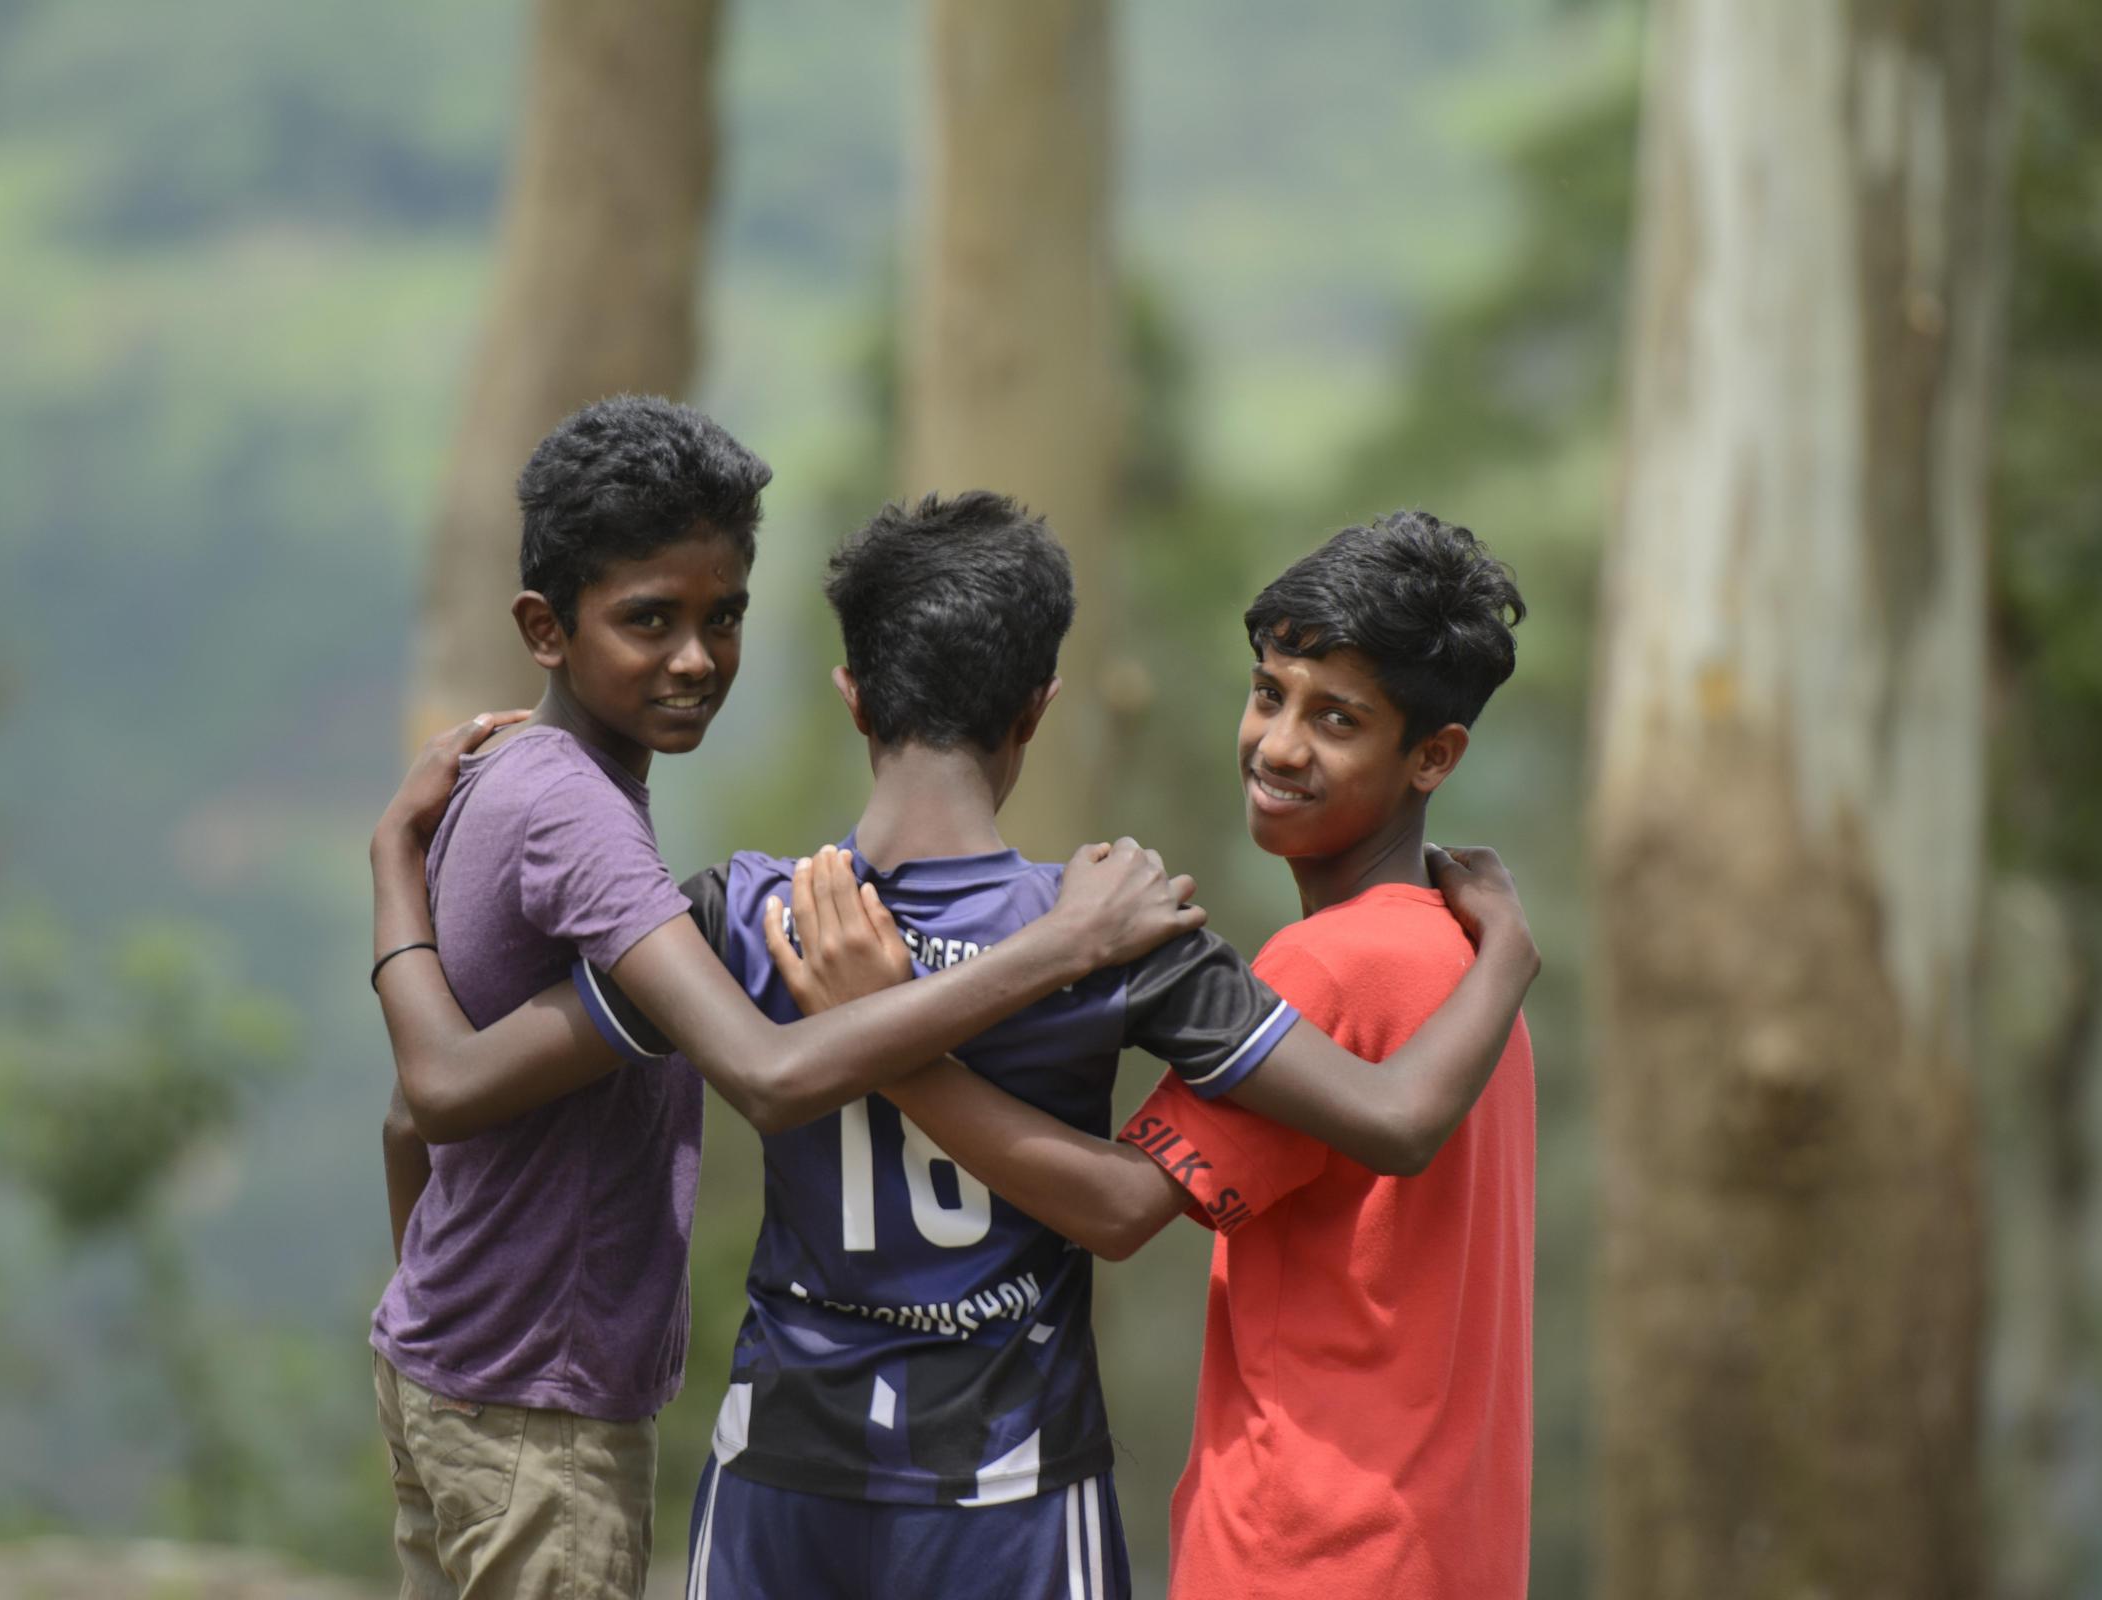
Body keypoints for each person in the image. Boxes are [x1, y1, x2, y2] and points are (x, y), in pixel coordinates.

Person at [371, 492, 1539, 1598]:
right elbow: (1383, 1121)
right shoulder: (1122, 931)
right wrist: (1507, 957)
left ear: (852, 697)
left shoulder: (737, 918)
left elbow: (444, 1094)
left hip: (782, 1473)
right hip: (1014, 1490)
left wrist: (400, 870)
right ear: (1037, 705)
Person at [368, 401, 1204, 1600]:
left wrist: (396, 858)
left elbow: (417, 1108)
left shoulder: (533, 788)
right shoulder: (583, 821)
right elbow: (763, 1075)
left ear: (851, 693)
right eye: (649, 620)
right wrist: (1062, 942)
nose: (697, 658)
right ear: (544, 630)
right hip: (540, 1410)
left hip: (446, 1369)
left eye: (725, 616)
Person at [789, 510, 1539, 1600]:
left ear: (1434, 755)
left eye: (1338, 719)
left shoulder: (1330, 966)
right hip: (1448, 1552)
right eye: (1269, 691)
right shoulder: (1464, 960)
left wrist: (889, 1041)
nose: (1280, 744)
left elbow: (1117, 1206)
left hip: (1310, 1553)